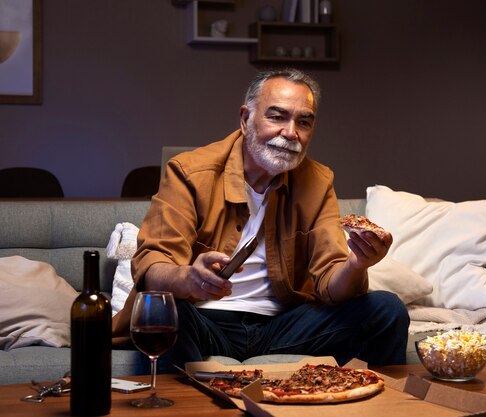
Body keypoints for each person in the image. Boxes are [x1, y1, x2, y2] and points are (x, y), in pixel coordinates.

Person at [130, 68, 409, 370]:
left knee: (387, 309)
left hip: (283, 326)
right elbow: (152, 265)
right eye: (277, 117)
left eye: (304, 122)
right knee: (164, 311)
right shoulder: (189, 172)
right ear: (245, 118)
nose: (291, 133)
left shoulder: (317, 181)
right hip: (205, 321)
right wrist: (189, 279)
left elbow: (330, 282)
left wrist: (357, 263)